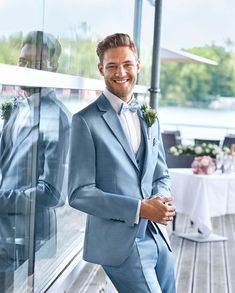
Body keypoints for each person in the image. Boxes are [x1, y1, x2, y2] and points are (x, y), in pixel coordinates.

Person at [68, 33, 176, 293]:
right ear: (101, 69)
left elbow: (161, 174)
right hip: (120, 245)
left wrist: (160, 200)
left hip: (158, 237)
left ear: (138, 65)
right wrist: (140, 208)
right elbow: (79, 194)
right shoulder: (85, 121)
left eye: (127, 64)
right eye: (112, 66)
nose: (121, 72)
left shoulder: (149, 116)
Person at [0, 31, 70, 291]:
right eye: (22, 62)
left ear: (53, 68)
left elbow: (52, 194)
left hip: (23, 237)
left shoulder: (58, 118)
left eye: (36, 64)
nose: (27, 70)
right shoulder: (17, 108)